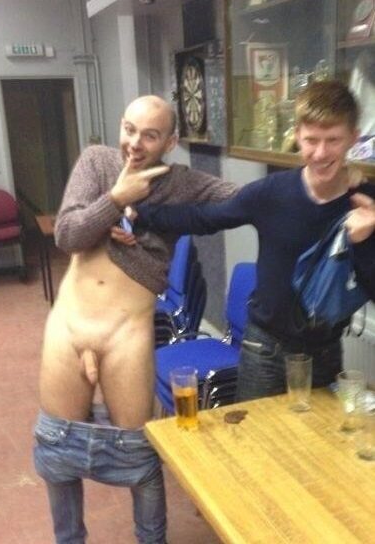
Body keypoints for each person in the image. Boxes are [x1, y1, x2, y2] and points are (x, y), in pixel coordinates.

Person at [33, 94, 237, 544]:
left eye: (149, 135)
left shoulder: (181, 183)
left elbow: (242, 199)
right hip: (69, 329)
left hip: (127, 335)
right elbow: (67, 235)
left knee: (138, 455)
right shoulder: (97, 163)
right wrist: (115, 200)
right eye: (129, 129)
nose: (134, 143)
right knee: (58, 454)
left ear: (170, 142)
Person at [134, 81, 375, 402]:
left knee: (316, 435)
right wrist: (140, 214)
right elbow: (205, 218)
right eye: (311, 140)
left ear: (353, 138)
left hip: (325, 353)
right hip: (265, 351)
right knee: (254, 435)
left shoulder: (366, 201)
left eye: (333, 140)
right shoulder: (271, 193)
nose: (320, 153)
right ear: (297, 136)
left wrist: (363, 242)